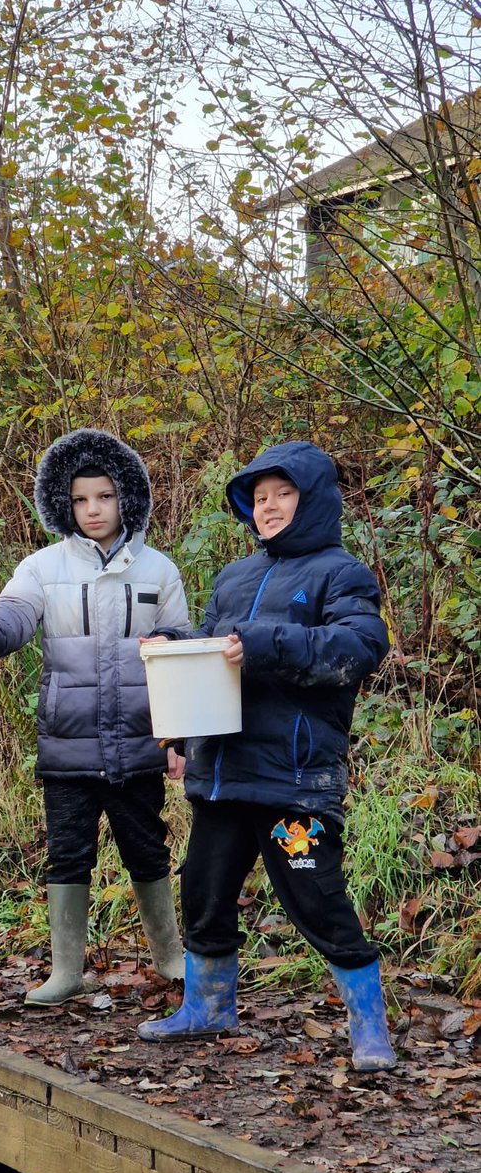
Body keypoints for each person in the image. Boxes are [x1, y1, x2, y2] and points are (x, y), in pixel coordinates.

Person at [136, 440, 397, 1072]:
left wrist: (262, 642)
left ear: (312, 502)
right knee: (203, 890)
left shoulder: (343, 573)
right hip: (225, 773)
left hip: (294, 781)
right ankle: (208, 1007)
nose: (270, 507)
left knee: (317, 898)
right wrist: (177, 645)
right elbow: (212, 648)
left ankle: (369, 1027)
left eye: (283, 494)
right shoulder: (235, 577)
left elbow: (359, 648)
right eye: (259, 497)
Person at [0, 428, 190, 1005]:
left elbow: (182, 649)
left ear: (125, 497)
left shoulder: (158, 570)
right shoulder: (41, 568)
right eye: (80, 499)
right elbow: (11, 620)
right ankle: (66, 971)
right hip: (68, 744)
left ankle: (171, 957)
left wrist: (179, 736)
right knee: (68, 854)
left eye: (103, 496)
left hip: (138, 743)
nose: (92, 509)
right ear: (63, 504)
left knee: (147, 850)